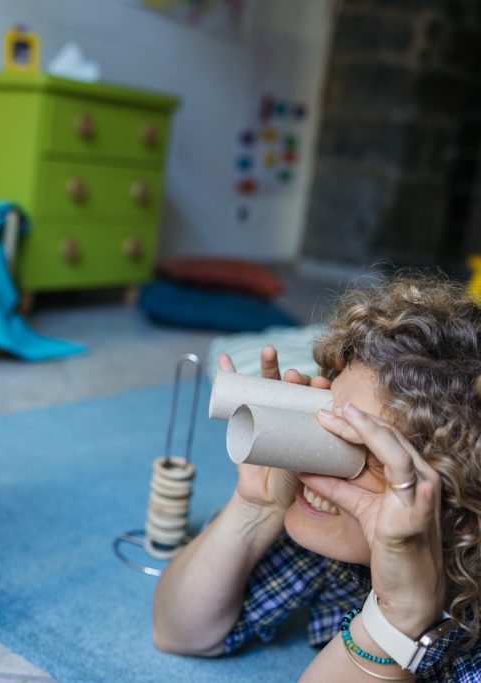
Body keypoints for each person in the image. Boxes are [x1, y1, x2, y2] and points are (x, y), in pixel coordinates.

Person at [153, 275, 481, 681]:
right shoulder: (340, 548)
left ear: (460, 516)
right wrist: (254, 508)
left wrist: (400, 622)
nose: (313, 462)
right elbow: (179, 632)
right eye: (323, 418)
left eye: (363, 450)